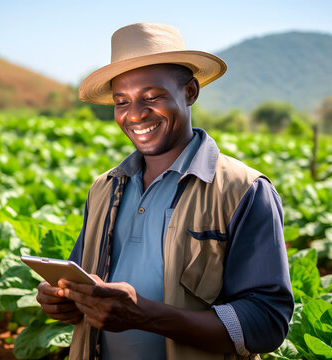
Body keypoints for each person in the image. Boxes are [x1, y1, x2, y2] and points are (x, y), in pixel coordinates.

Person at [36, 22, 294, 360]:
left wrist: (144, 314)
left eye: (152, 96)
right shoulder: (105, 188)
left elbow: (266, 323)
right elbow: (81, 278)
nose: (135, 115)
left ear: (190, 92)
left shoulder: (244, 190)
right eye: (121, 102)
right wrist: (61, 298)